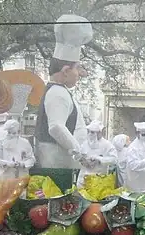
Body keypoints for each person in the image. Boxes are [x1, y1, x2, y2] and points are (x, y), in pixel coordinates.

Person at [35, 14, 92, 169]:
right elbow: (56, 127)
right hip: (57, 166)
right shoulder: (57, 93)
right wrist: (79, 154)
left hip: (61, 165)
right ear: (66, 71)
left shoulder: (59, 91)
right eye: (77, 68)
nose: (79, 74)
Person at [72, 120, 117, 188]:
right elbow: (77, 156)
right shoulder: (85, 144)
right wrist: (80, 159)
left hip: (98, 181)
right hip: (83, 180)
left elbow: (114, 159)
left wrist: (99, 159)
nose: (90, 134)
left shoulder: (107, 145)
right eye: (89, 131)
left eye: (92, 132)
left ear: (100, 133)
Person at [122, 122, 145, 193]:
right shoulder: (133, 148)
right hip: (136, 185)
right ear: (137, 134)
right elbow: (132, 165)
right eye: (143, 135)